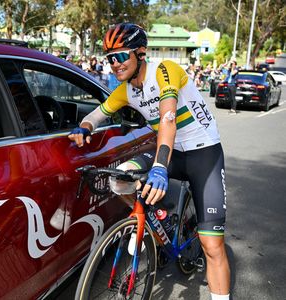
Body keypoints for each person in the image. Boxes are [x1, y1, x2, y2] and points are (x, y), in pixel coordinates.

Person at [68, 23, 230, 300]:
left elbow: (168, 118)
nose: (115, 64)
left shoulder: (164, 70)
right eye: (110, 58)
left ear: (140, 53)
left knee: (211, 245)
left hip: (204, 153)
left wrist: (158, 166)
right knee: (119, 178)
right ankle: (156, 230)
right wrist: (84, 127)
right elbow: (97, 114)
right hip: (171, 153)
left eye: (121, 56)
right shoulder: (126, 90)